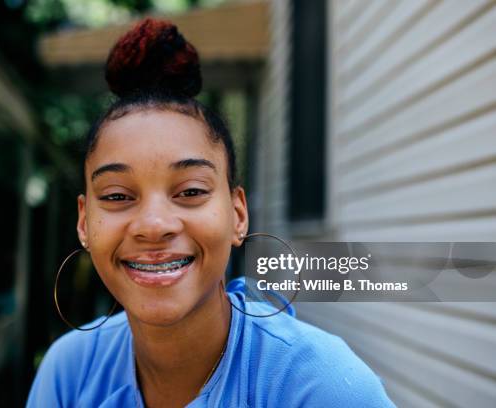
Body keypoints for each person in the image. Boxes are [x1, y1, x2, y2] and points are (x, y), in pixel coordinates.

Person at [26, 18, 395, 408]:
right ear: (84, 222)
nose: (154, 225)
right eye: (118, 196)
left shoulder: (324, 386)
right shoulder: (69, 371)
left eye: (190, 191)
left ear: (238, 214)